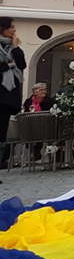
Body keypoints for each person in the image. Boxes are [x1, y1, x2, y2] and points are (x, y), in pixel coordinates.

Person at [0, 17, 27, 173]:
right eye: (11, 27)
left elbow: (22, 65)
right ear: (3, 29)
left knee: (2, 131)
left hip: (8, 97)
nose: (14, 30)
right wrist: (9, 64)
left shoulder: (14, 47)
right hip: (2, 93)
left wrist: (16, 48)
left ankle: (2, 161)